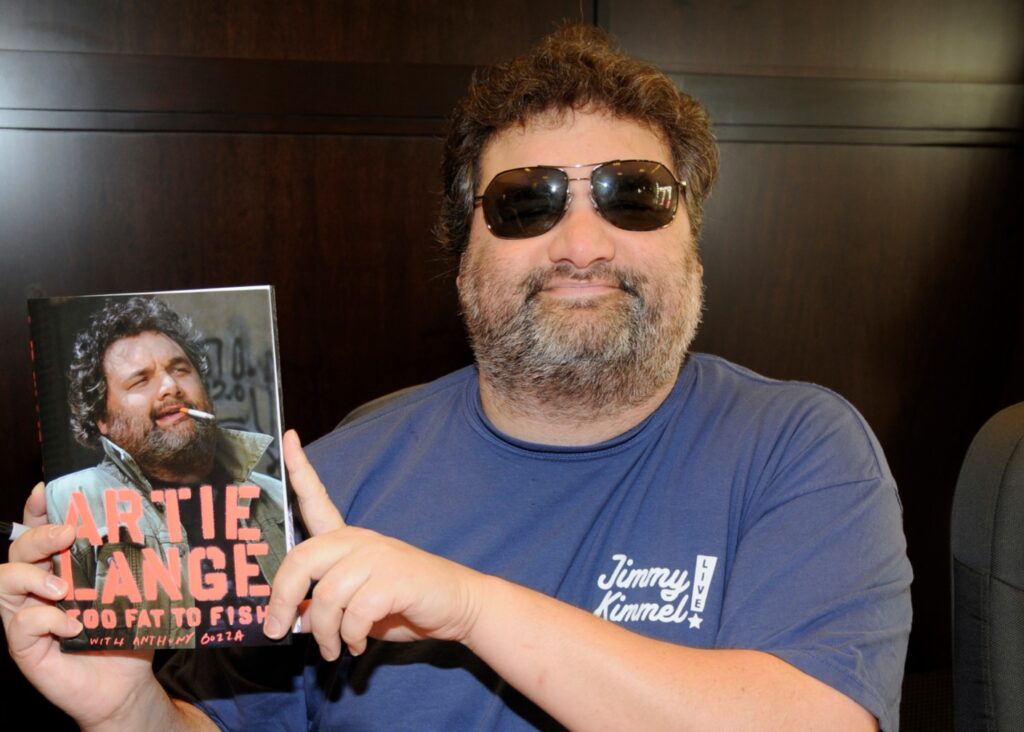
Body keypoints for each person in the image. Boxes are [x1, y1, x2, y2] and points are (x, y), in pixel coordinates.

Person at [1, 25, 912, 731]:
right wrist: (126, 707)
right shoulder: (332, 479)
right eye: (528, 203)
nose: (584, 244)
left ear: (693, 239)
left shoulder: (801, 448)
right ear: (462, 254)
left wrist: (471, 607)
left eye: (633, 195)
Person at [43, 296, 287, 649]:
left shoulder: (275, 496)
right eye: (140, 381)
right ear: (103, 420)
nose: (170, 387)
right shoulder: (70, 502)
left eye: (180, 369)